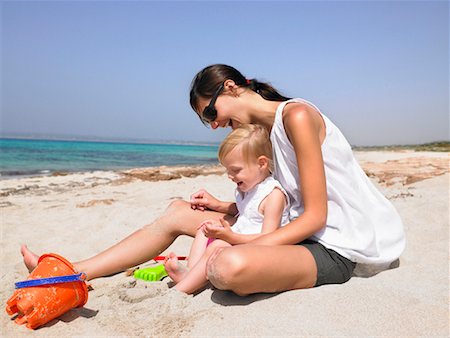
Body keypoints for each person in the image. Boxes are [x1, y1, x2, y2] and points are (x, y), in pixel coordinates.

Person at [22, 64, 405, 296]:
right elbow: (285, 198)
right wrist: (224, 209)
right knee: (178, 211)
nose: (215, 124)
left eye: (211, 112)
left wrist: (239, 240)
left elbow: (315, 216)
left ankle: (208, 265)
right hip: (294, 231)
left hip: (335, 247)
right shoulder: (266, 133)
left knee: (226, 266)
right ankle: (75, 270)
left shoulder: (297, 117)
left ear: (231, 87)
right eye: (207, 121)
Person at [164, 124, 290, 294]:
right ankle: (192, 272)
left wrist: (231, 236)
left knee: (218, 244)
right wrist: (215, 206)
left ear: (261, 163)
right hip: (240, 237)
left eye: (235, 170)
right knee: (205, 227)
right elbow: (245, 210)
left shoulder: (273, 196)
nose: (230, 176)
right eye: (227, 170)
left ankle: (180, 290)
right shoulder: (249, 187)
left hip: (258, 248)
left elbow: (269, 238)